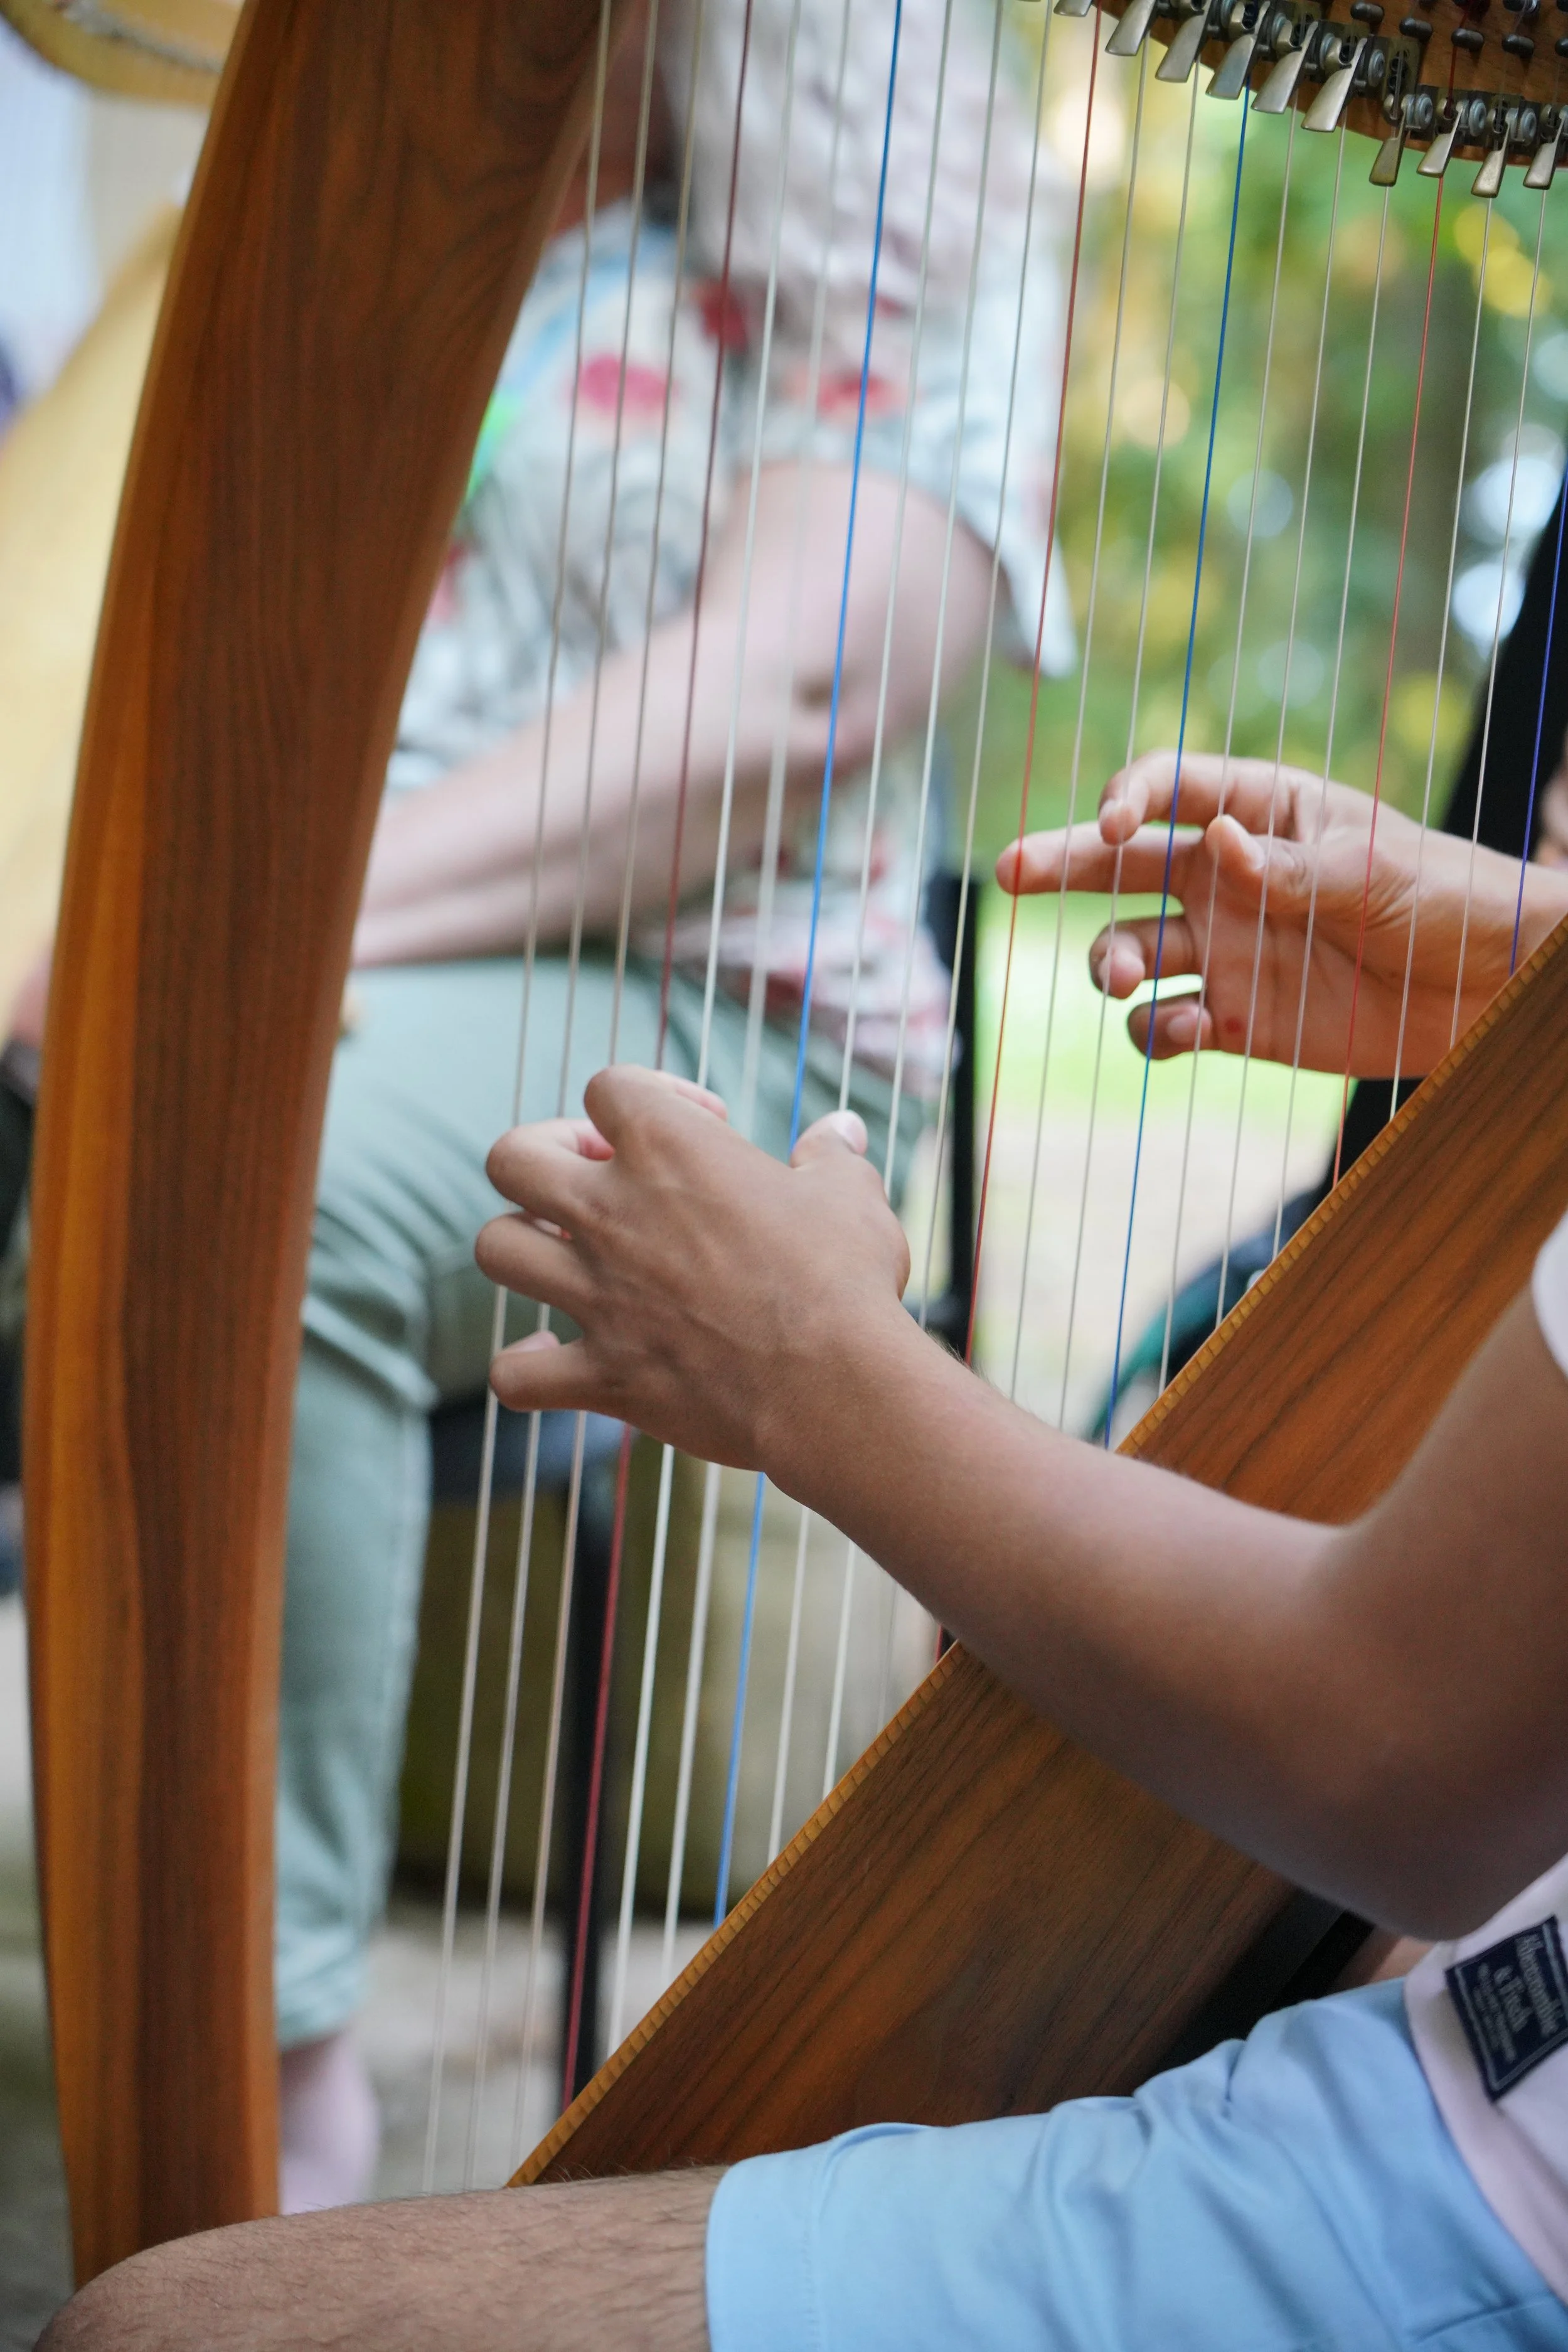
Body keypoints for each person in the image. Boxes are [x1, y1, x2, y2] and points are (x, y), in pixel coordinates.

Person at [40, 752, 1568, 2349]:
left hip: (1491, 2169)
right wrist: (1529, 967)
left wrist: (806, 1367)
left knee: (159, 2327)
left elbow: (1391, 1753)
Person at [0, 0, 1065, 2210]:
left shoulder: (926, 249)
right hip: (396, 946)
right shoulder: (475, 216)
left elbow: (784, 690)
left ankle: (277, 2068)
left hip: (724, 1015)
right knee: (157, 1100)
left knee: (240, 1156)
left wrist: (225, 936)